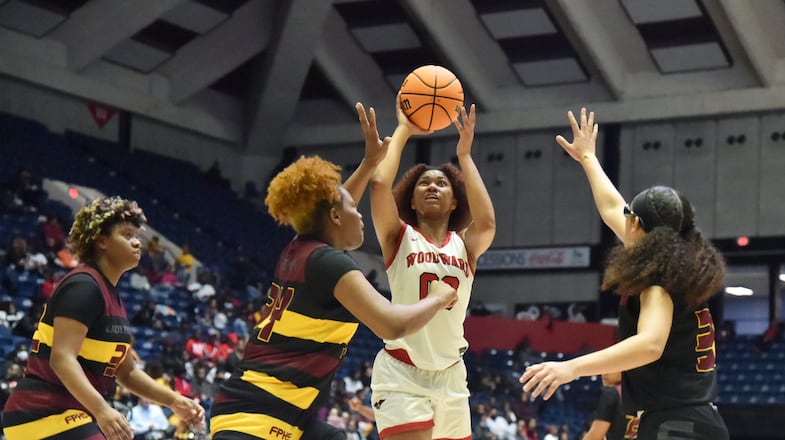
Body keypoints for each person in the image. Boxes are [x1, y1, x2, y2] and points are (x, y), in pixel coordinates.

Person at [209, 102, 458, 440]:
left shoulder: (299, 249)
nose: (361, 216)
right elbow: (391, 323)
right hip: (257, 416)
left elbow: (332, 206)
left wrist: (371, 162)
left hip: (277, 410)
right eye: (354, 210)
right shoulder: (330, 262)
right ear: (337, 218)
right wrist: (438, 297)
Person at [519, 109, 729, 439]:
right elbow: (610, 207)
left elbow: (650, 345)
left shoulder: (659, 283)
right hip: (690, 420)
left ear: (636, 225)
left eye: (629, 214)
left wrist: (570, 368)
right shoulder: (675, 262)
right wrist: (588, 157)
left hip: (677, 425)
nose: (623, 217)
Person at [1, 196, 205, 440]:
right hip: (43, 410)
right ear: (101, 240)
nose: (137, 243)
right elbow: (62, 359)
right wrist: (102, 410)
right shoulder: (84, 286)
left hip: (75, 413)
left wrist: (173, 400)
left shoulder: (112, 296)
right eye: (127, 235)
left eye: (137, 237)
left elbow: (126, 372)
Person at [368, 99, 496, 440]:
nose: (432, 186)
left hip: (452, 374)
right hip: (402, 371)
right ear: (411, 199)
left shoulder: (465, 245)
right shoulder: (398, 236)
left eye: (442, 183)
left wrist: (465, 157)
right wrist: (404, 129)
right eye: (424, 183)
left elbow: (487, 222)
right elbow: (379, 185)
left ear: (455, 201)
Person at [583, 372, 628, 440]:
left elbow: (594, 437)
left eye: (610, 368)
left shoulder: (610, 393)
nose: (604, 373)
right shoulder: (640, 392)